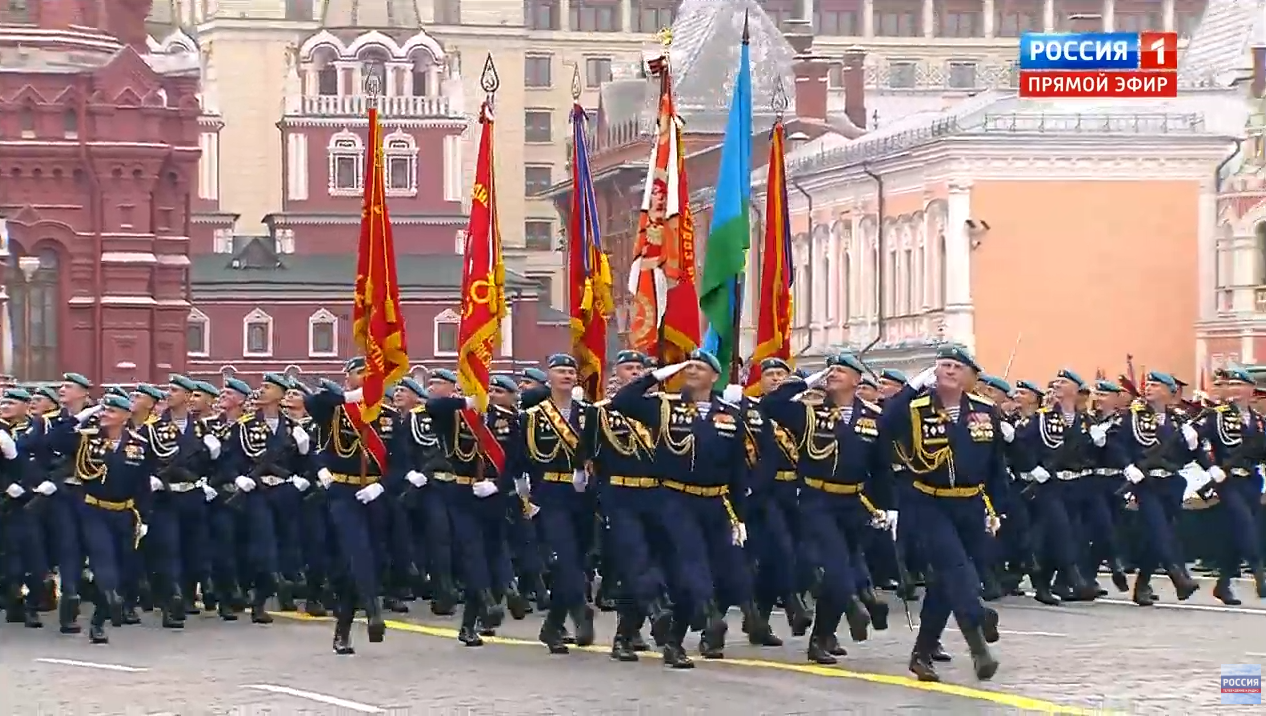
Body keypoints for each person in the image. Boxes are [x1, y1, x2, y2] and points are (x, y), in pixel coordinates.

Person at [881, 344, 1005, 682]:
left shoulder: (985, 411)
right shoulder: (915, 407)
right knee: (955, 568)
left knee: (946, 582)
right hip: (929, 502)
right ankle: (979, 645)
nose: (948, 371)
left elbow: (995, 465)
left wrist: (998, 509)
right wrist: (909, 389)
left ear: (969, 376)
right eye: (943, 365)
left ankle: (922, 654)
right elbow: (884, 425)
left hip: (969, 503)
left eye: (956, 366)